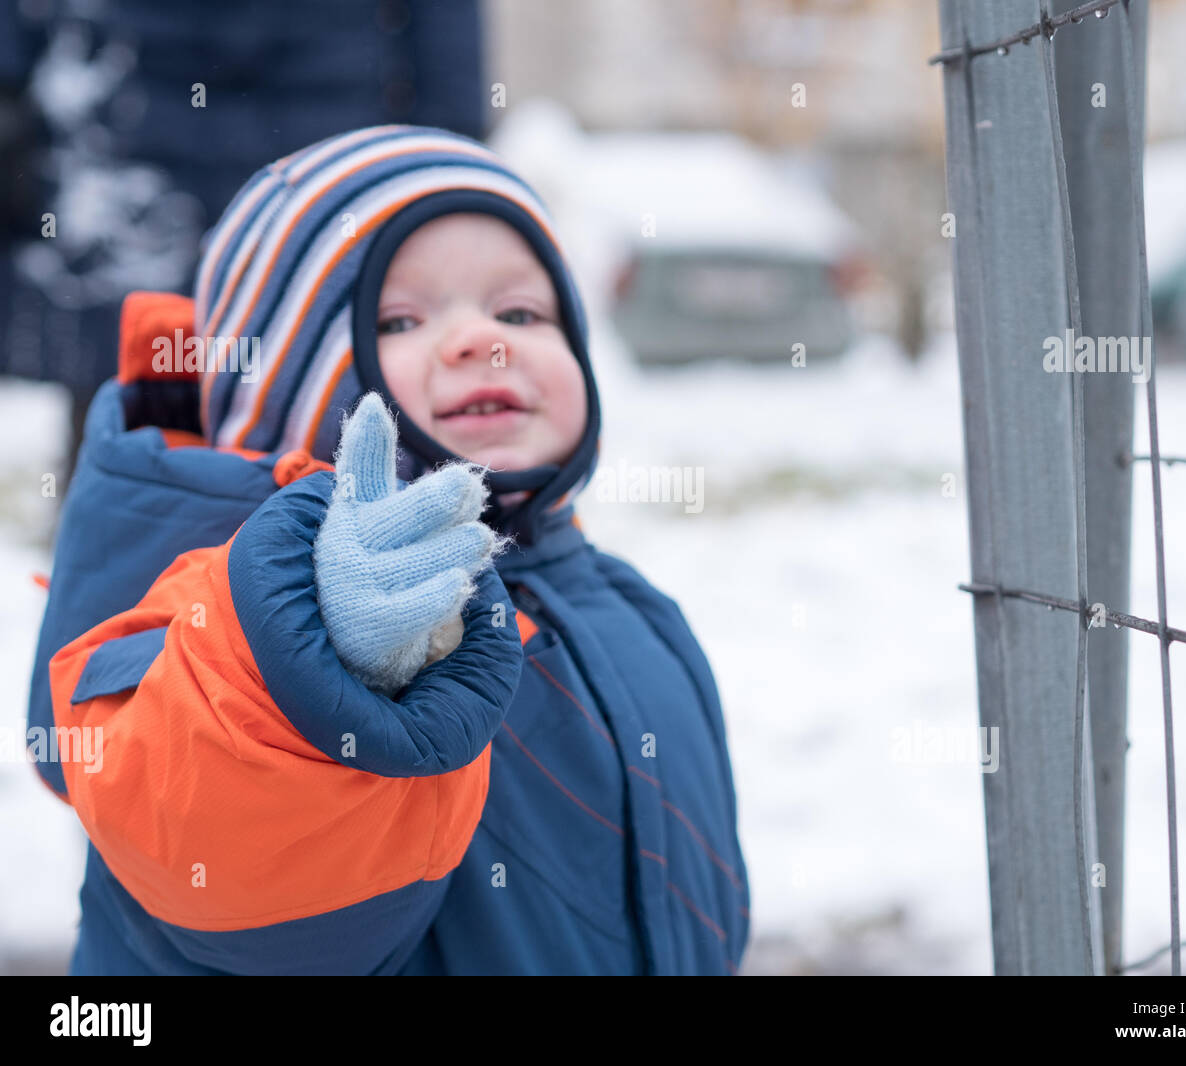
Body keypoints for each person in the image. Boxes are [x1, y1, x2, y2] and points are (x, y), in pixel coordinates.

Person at [27, 125, 750, 975]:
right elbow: (232, 869)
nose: (483, 341)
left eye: (520, 311)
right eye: (402, 318)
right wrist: (322, 672)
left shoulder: (628, 608)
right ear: (282, 390)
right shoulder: (211, 639)